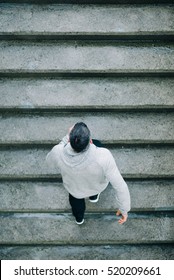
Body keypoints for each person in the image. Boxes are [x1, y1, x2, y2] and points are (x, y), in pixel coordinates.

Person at [46, 122, 131, 225]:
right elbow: (120, 186)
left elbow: (49, 162)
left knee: (76, 205)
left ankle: (79, 219)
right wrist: (124, 209)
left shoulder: (58, 152)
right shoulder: (103, 156)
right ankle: (93, 197)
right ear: (90, 141)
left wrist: (66, 138)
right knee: (98, 144)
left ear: (69, 140)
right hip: (97, 186)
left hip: (74, 188)